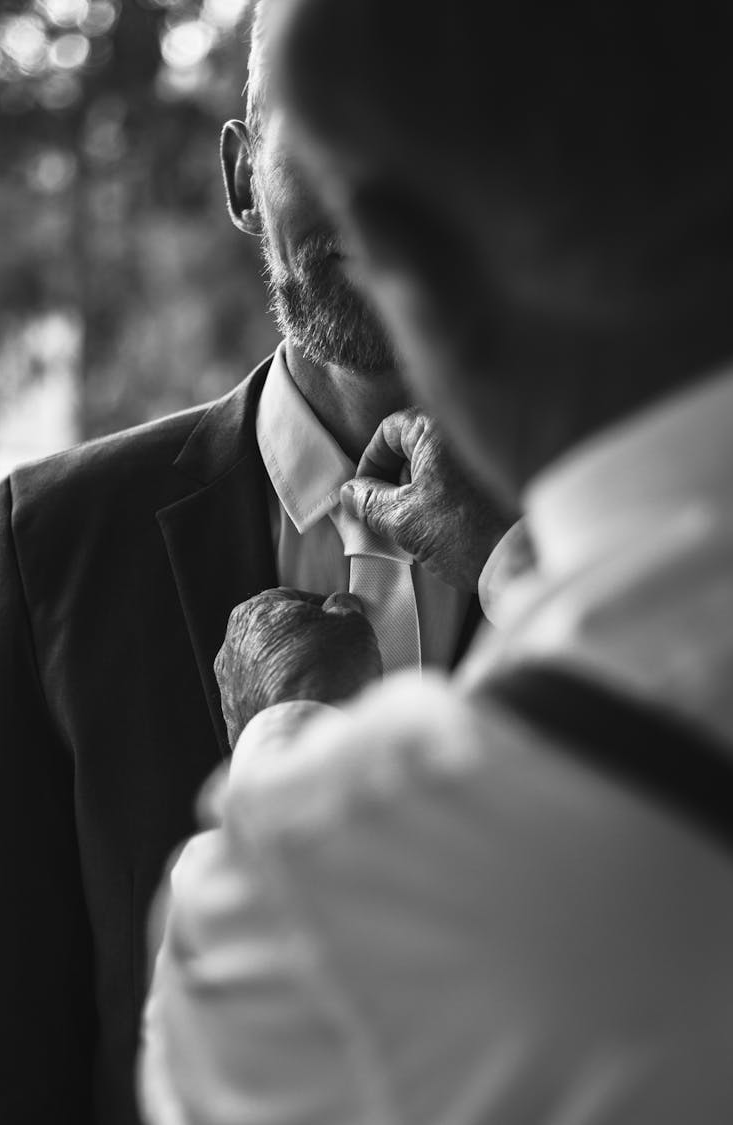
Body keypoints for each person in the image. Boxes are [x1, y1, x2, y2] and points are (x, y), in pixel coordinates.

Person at [139, 2, 733, 1123]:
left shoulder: (313, 890)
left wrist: (282, 743)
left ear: (403, 253)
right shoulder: (52, 534)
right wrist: (518, 561)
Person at [0, 3, 510, 1121]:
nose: (374, 187)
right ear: (240, 175)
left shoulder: (607, 533)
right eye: (322, 132)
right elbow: (16, 1038)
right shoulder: (59, 540)